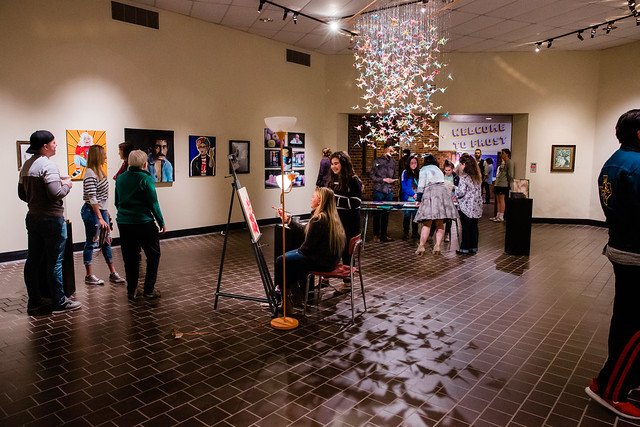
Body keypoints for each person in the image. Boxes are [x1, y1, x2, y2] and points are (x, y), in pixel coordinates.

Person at [585, 109, 640, 420]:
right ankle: (614, 387)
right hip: (635, 252)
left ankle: (619, 381)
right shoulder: (636, 166)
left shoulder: (614, 162)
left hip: (622, 247)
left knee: (626, 319)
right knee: (633, 325)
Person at [18, 130, 81, 314]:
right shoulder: (48, 166)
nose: (56, 146)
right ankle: (60, 302)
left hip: (33, 217)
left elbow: (22, 194)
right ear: (45, 146)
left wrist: (36, 199)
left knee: (33, 260)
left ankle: (34, 302)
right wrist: (67, 185)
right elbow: (56, 194)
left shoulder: (27, 166)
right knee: (54, 262)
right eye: (54, 143)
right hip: (52, 219)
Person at [275, 187, 346, 309]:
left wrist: (296, 252)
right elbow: (306, 232)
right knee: (288, 258)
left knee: (281, 260)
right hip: (329, 260)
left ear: (320, 201)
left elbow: (306, 249)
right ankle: (290, 294)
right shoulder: (330, 216)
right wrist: (288, 220)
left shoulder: (318, 219)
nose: (311, 198)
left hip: (321, 262)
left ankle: (285, 297)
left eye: (313, 196)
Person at [116, 150, 166, 301]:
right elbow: (153, 203)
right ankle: (149, 290)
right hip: (144, 223)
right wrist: (161, 221)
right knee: (153, 255)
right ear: (145, 164)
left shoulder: (120, 178)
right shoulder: (146, 179)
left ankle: (131, 291)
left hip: (124, 223)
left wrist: (126, 214)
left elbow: (117, 202)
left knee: (130, 257)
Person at [81, 145, 126, 286]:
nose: (106, 157)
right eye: (104, 154)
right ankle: (89, 275)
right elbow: (92, 197)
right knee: (92, 242)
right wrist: (100, 217)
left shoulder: (99, 171)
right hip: (92, 212)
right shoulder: (90, 173)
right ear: (97, 156)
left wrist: (105, 212)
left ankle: (113, 273)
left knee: (106, 241)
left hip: (101, 212)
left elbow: (102, 198)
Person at [327, 151, 362, 292]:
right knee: (330, 248)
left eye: (336, 164)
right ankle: (325, 278)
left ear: (344, 164)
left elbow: (356, 202)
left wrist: (334, 198)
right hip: (335, 221)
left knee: (346, 253)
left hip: (349, 223)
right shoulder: (331, 179)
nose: (333, 167)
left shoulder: (354, 181)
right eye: (332, 164)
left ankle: (347, 283)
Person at [414, 154, 458, 256]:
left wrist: (419, 199)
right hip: (443, 193)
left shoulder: (424, 169)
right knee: (440, 222)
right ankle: (437, 246)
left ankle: (421, 246)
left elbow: (421, 185)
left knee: (427, 222)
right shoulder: (438, 170)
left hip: (430, 192)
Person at [455, 155, 483, 255]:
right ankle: (473, 247)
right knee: (474, 227)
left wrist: (455, 190)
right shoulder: (477, 176)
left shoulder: (464, 177)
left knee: (465, 227)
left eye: (461, 164)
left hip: (466, 206)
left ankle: (464, 248)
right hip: (476, 206)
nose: (460, 166)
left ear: (464, 164)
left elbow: (461, 192)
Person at [370, 144, 397, 242]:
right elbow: (372, 176)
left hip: (389, 190)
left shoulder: (393, 162)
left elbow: (395, 175)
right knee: (377, 213)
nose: (392, 151)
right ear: (385, 149)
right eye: (390, 149)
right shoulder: (377, 161)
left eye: (393, 149)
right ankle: (376, 235)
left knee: (386, 213)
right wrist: (383, 179)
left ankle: (384, 235)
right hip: (379, 190)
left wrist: (393, 180)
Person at [490, 148, 514, 222]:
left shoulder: (509, 162)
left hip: (503, 184)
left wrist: (510, 183)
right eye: (501, 153)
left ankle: (501, 216)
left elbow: (510, 174)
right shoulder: (503, 162)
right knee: (498, 200)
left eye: (503, 153)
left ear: (507, 154)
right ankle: (497, 215)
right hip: (498, 183)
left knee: (501, 199)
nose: (501, 155)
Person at [400, 154, 420, 240]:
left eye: (415, 163)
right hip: (408, 198)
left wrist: (418, 195)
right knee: (407, 216)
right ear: (408, 163)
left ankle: (415, 233)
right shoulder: (405, 172)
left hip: (416, 199)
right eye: (412, 163)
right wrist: (413, 194)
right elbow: (404, 186)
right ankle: (406, 233)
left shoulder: (419, 172)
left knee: (415, 217)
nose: (414, 164)